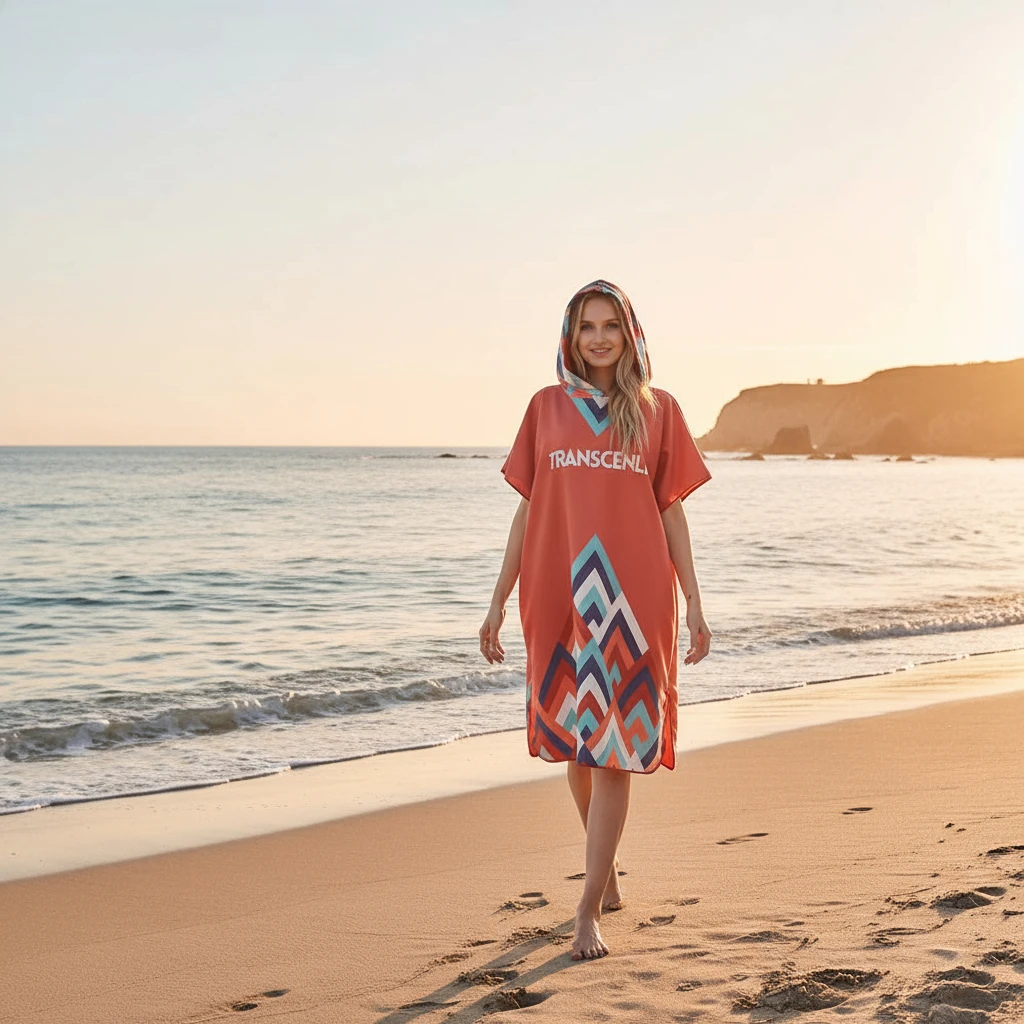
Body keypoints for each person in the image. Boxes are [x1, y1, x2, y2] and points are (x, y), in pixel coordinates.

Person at [478, 279, 713, 961]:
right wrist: (497, 598)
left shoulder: (655, 411)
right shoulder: (545, 409)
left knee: (612, 753)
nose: (600, 337)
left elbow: (671, 508)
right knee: (577, 747)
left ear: (630, 333)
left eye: (611, 324)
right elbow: (527, 506)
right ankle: (605, 872)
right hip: (556, 594)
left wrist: (695, 600)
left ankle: (587, 909)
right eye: (587, 326)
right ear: (570, 336)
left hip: (630, 601)